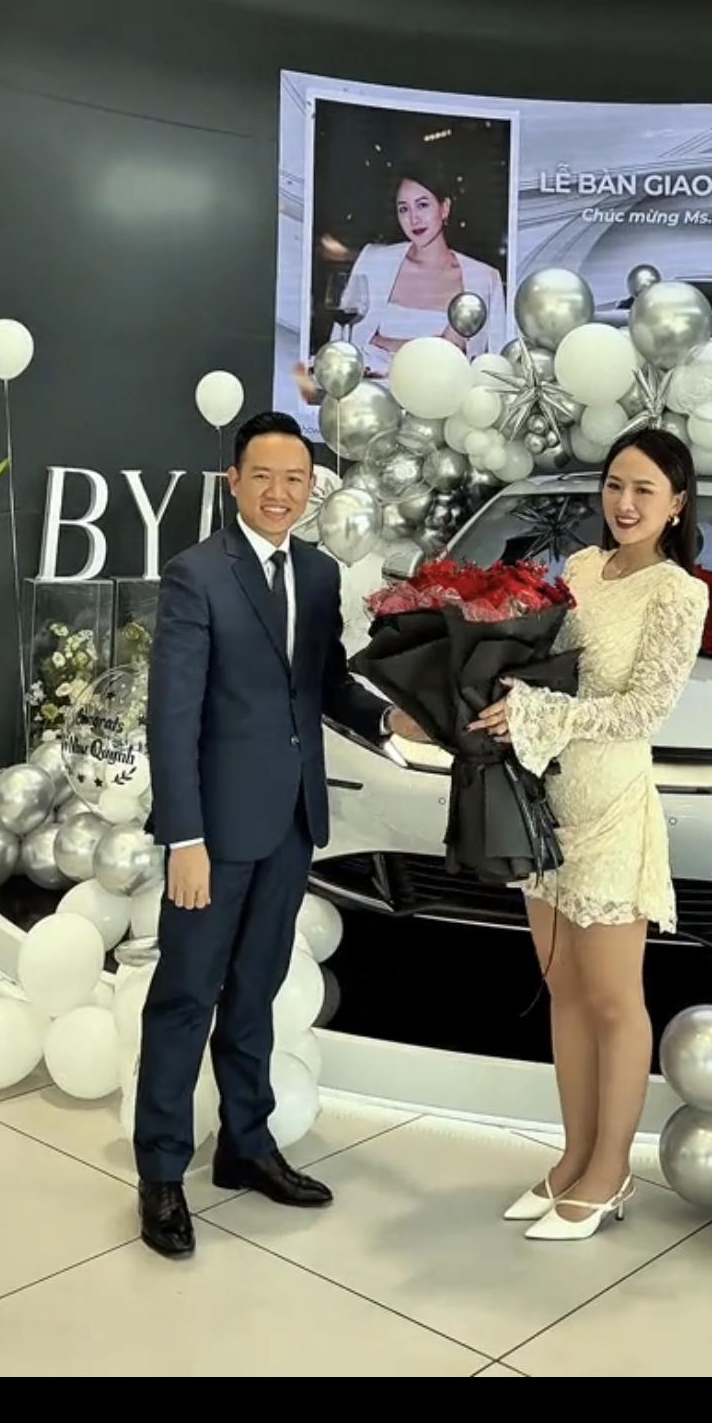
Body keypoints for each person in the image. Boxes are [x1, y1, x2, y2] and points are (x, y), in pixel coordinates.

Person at [134, 409, 422, 1260]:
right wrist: (184, 838)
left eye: (295, 479)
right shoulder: (196, 574)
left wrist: (394, 719)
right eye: (263, 476)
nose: (279, 492)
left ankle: (246, 1145)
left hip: (292, 820)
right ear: (234, 482)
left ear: (310, 489)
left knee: (256, 988)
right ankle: (160, 1173)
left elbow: (324, 686)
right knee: (186, 996)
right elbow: (172, 716)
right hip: (215, 832)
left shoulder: (319, 574)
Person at [469, 427, 708, 1244]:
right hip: (550, 800)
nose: (625, 503)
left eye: (645, 490)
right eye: (615, 485)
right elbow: (544, 668)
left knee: (612, 998)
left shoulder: (679, 593)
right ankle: (574, 1155)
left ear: (676, 504)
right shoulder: (578, 569)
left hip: (611, 807)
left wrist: (538, 713)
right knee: (563, 987)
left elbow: (645, 711)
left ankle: (612, 1169)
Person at [333, 159, 507, 374]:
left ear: (444, 208)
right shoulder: (375, 261)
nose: (413, 219)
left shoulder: (483, 278)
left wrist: (383, 342)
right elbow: (341, 344)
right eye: (403, 209)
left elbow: (496, 365)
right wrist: (437, 344)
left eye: (422, 205)